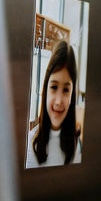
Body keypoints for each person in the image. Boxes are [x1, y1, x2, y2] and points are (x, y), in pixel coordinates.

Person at [26, 39, 82, 167]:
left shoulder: (75, 144)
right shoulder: (30, 144)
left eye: (66, 90)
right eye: (54, 87)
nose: (58, 101)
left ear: (72, 96)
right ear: (45, 89)